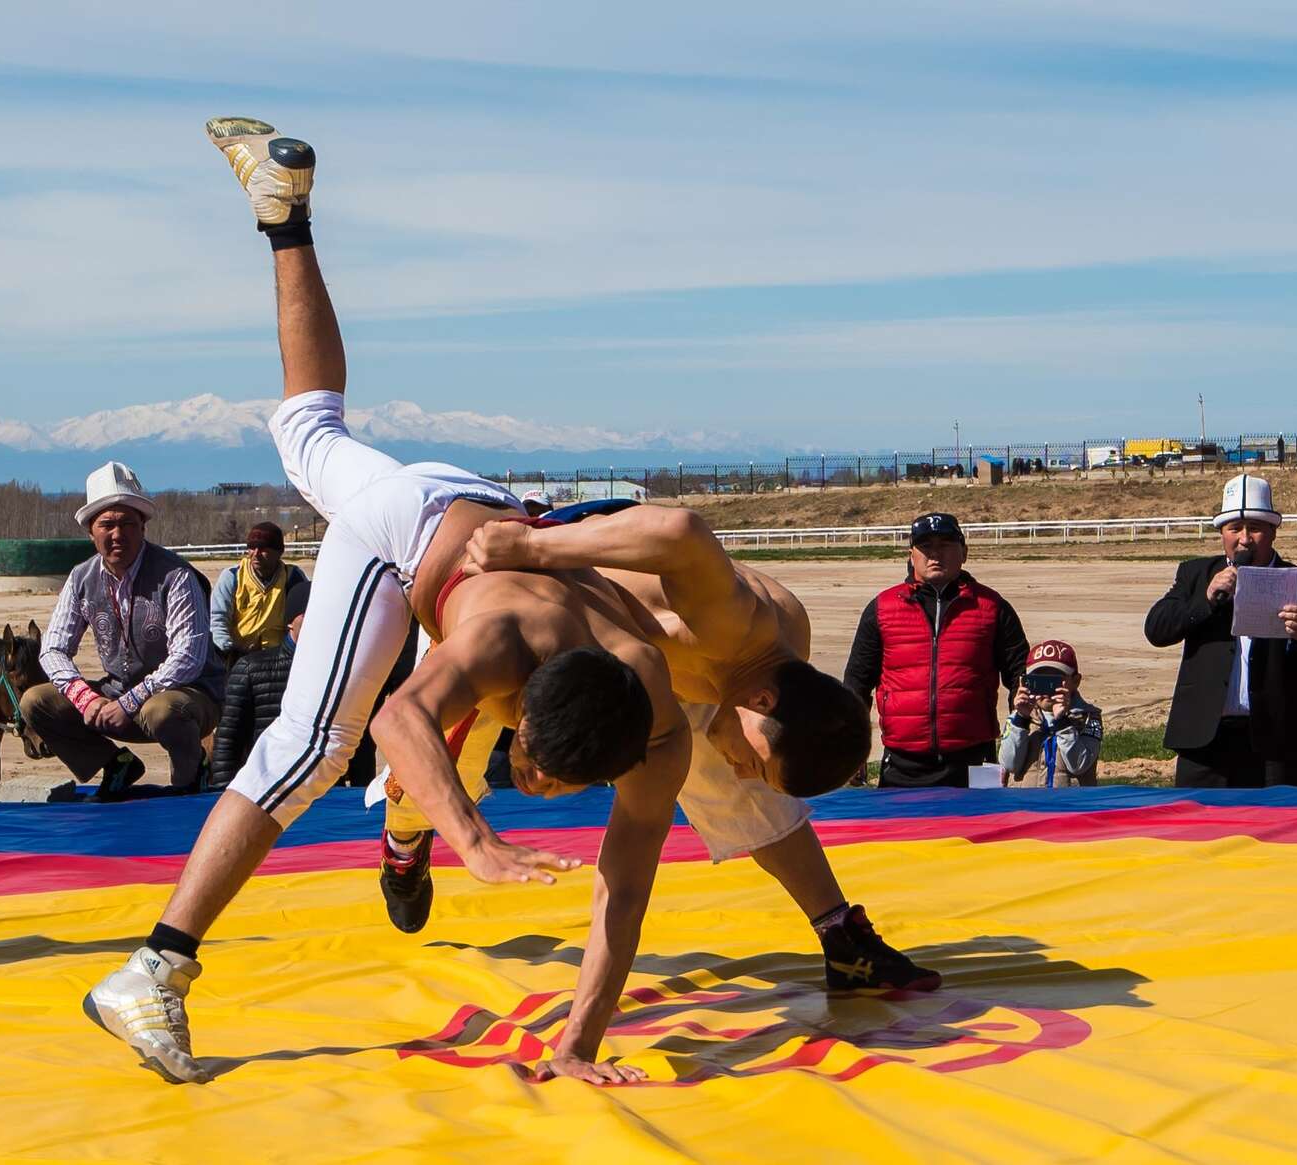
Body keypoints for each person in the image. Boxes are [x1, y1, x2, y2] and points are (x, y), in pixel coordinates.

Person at [85, 118, 692, 1087]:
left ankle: (285, 223)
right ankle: (153, 967)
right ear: (522, 712)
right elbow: (406, 713)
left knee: (305, 419)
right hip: (408, 537)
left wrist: (577, 1044)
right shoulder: (499, 640)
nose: (532, 793)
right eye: (532, 774)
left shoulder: (658, 726)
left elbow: (624, 893)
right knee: (319, 741)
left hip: (469, 493)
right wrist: (476, 838)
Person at [453, 502, 929, 989]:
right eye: (757, 765)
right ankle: (406, 840)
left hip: (655, 665)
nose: (745, 770)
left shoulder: (769, 674)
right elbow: (681, 532)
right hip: (536, 586)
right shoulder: (732, 625)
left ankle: (838, 933)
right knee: (441, 778)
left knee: (746, 788)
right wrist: (531, 545)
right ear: (762, 699)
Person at [27, 462, 227, 798]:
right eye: (107, 524)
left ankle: (191, 775)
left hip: (188, 697)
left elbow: (188, 659)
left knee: (161, 710)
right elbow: (53, 649)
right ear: (91, 531)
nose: (117, 534)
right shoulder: (81, 578)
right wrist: (86, 699)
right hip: (118, 694)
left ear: (143, 527)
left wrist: (130, 702)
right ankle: (115, 763)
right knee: (36, 702)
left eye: (127, 524)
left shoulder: (175, 576)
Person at [1145, 474, 1297, 787]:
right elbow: (1156, 630)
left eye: (1254, 528)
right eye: (1234, 529)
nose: (1244, 539)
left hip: (1276, 743)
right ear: (1221, 533)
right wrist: (1206, 600)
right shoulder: (1196, 575)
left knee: (1275, 830)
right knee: (1200, 829)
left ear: (1272, 531)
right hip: (1205, 739)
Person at [843, 513, 1030, 788]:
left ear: (964, 552)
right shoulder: (882, 609)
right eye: (926, 547)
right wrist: (850, 750)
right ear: (911, 555)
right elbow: (856, 685)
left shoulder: (992, 608)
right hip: (902, 765)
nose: (935, 554)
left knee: (983, 832)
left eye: (945, 545)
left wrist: (1019, 735)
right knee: (902, 833)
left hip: (976, 761)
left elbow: (1020, 676)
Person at [210, 611, 306, 791]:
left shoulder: (340, 670)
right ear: (290, 622)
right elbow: (229, 737)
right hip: (262, 785)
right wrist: (221, 789)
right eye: (305, 613)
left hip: (324, 791)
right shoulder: (251, 668)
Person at [999, 640, 1104, 787]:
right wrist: (1020, 720)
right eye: (1039, 681)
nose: (1047, 690)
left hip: (1070, 804)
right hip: (1026, 804)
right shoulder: (1019, 718)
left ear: (1076, 681)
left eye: (1055, 681)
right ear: (1027, 682)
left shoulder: (1089, 718)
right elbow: (1010, 764)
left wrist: (1063, 723)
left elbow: (1079, 765)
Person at [208, 521, 310, 659]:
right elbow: (218, 618)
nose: (255, 554)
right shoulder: (232, 577)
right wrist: (227, 650)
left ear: (279, 551)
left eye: (263, 549)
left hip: (281, 657)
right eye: (251, 548)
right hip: (239, 656)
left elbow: (303, 620)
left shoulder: (292, 577)